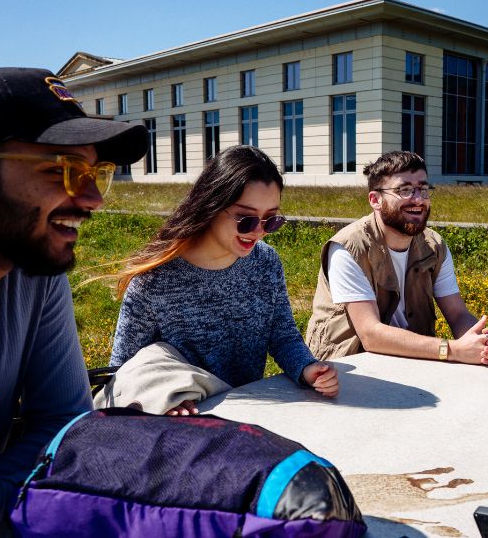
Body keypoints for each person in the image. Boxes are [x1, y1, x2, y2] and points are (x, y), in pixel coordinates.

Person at [0, 66, 147, 537]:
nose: (92, 199)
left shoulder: (33, 266)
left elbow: (68, 426)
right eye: (61, 170)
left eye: (94, 173)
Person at [108, 145, 339, 414]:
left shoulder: (266, 262)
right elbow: (122, 370)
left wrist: (307, 368)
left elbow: (282, 334)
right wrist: (160, 399)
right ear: (211, 206)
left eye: (271, 220)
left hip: (253, 416)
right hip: (188, 427)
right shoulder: (154, 279)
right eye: (246, 219)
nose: (259, 232)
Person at [303, 151, 488, 365]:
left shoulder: (434, 246)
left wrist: (483, 342)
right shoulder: (348, 248)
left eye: (423, 189)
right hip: (349, 367)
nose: (418, 199)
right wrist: (452, 350)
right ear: (375, 199)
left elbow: (458, 314)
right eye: (405, 190)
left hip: (414, 360)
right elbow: (370, 334)